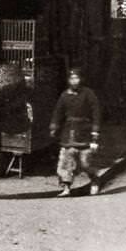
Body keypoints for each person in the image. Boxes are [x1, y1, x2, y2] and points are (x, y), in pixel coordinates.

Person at [48, 67, 103, 197]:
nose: (74, 81)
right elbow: (58, 112)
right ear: (68, 80)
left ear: (81, 79)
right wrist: (54, 127)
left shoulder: (88, 94)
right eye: (72, 78)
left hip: (84, 132)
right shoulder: (64, 95)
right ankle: (66, 187)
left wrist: (95, 131)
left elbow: (96, 112)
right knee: (66, 162)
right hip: (68, 133)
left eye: (77, 78)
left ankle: (94, 180)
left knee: (86, 163)